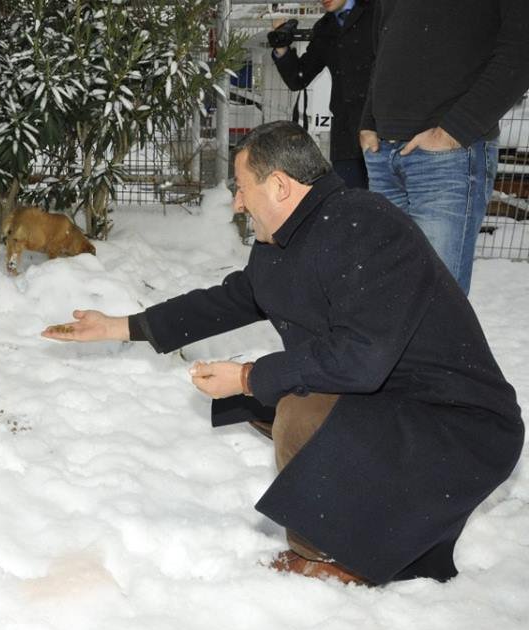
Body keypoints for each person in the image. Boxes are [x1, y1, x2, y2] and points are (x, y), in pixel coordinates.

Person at [42, 121, 523, 586]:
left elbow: (361, 357)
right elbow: (230, 299)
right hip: (396, 398)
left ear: (279, 186)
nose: (236, 201)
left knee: (298, 410)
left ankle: (336, 555)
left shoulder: (367, 226)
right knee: (280, 397)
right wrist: (121, 326)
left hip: (460, 423)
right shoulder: (290, 238)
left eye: (240, 186)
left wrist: (250, 376)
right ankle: (359, 504)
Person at [359, 0, 529, 295]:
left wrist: (454, 131)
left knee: (434, 304)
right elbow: (382, 45)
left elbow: (521, 50)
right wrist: (368, 120)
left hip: (447, 157)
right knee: (387, 297)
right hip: (383, 152)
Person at [269, 0, 374, 189]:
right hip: (347, 140)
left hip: (386, 133)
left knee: (393, 210)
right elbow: (298, 78)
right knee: (352, 210)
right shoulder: (325, 27)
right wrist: (281, 46)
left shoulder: (379, 11)